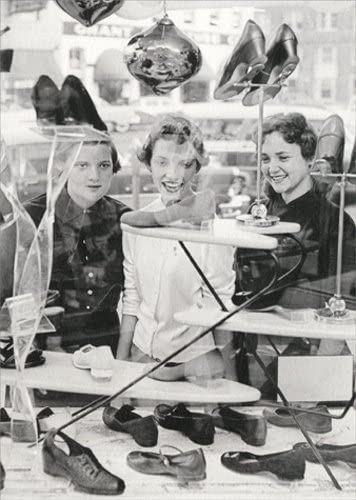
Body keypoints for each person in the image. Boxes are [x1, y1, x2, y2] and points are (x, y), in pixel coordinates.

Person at [117, 114, 236, 377]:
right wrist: (121, 366)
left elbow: (221, 309)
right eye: (162, 162)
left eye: (185, 164)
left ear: (197, 168)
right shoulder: (138, 224)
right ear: (149, 163)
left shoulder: (212, 232)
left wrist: (229, 381)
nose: (173, 174)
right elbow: (131, 298)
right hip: (140, 356)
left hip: (193, 365)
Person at [26, 136, 130, 353]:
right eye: (82, 165)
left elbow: (135, 298)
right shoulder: (33, 218)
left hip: (106, 356)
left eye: (103, 165)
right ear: (62, 165)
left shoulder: (124, 221)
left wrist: (123, 357)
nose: (94, 176)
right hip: (43, 356)